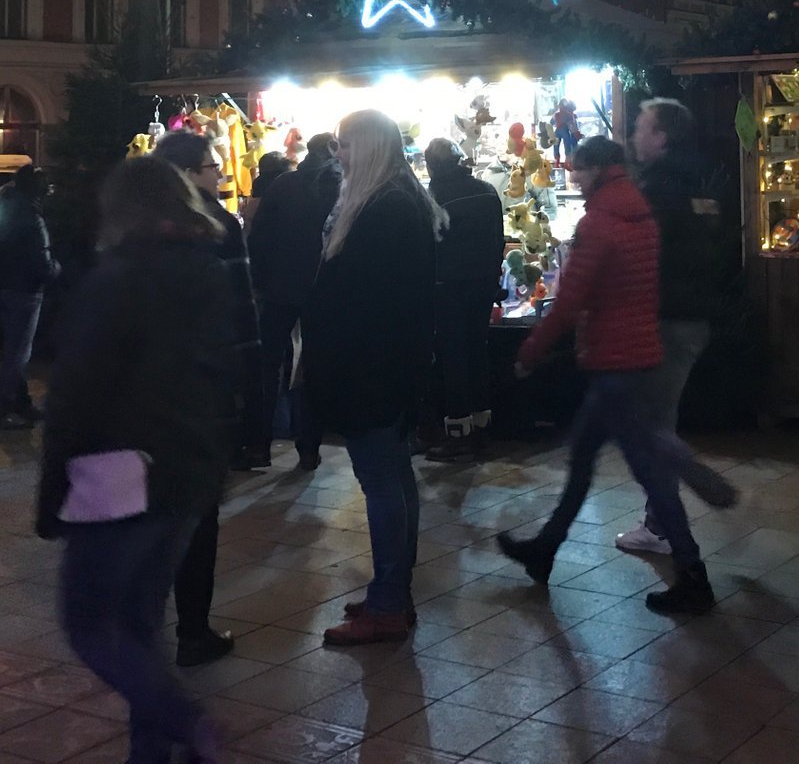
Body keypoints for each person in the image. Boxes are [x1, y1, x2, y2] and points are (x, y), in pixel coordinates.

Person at [37, 157, 238, 764]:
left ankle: (186, 721)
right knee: (140, 624)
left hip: (120, 473)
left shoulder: (115, 281)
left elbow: (75, 395)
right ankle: (152, 752)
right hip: (187, 469)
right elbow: (225, 372)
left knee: (91, 623)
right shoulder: (207, 272)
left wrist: (51, 497)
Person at [496, 138, 737, 617]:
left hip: (613, 364)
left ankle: (693, 574)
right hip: (637, 352)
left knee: (648, 472)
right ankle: (544, 548)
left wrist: (530, 350)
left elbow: (569, 301)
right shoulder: (640, 214)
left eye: (579, 169)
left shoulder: (600, 223)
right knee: (583, 459)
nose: (574, 177)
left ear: (599, 169)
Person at [303, 110, 444, 646]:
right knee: (393, 478)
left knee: (382, 481)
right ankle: (392, 592)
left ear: (365, 148)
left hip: (371, 372)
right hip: (388, 369)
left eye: (343, 145)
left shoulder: (382, 210)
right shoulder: (398, 201)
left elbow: (363, 303)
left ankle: (388, 601)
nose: (336, 154)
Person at [152, 129, 260, 667]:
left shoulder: (133, 226)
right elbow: (239, 314)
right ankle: (193, 629)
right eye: (212, 166)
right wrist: (245, 380)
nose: (220, 173)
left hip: (146, 396)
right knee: (198, 510)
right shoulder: (220, 226)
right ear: (190, 174)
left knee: (152, 510)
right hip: (202, 391)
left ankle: (145, 624)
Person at [615, 98, 737, 557]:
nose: (633, 136)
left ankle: (666, 520)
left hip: (664, 318)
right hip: (693, 316)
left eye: (642, 128)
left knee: (650, 423)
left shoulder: (658, 189)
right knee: (652, 418)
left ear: (662, 137)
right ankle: (663, 518)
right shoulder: (704, 179)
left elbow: (643, 258)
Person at [246, 133, 340, 471]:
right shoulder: (343, 189)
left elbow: (260, 239)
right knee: (310, 369)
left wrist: (260, 281)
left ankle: (258, 445)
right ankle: (309, 448)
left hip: (279, 289)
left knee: (267, 366)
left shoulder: (284, 185)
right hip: (321, 293)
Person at [422, 137, 505, 462]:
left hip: (448, 285)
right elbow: (499, 237)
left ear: (431, 165)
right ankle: (482, 428)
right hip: (483, 283)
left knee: (453, 356)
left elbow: (430, 245)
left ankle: (458, 433)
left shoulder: (435, 197)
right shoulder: (486, 191)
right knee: (477, 350)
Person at [0, 165, 59, 432]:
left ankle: (21, 404)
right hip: (25, 291)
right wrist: (59, 269)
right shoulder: (32, 218)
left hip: (7, 287)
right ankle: (2, 410)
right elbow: (43, 263)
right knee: (18, 353)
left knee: (16, 349)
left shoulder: (10, 211)